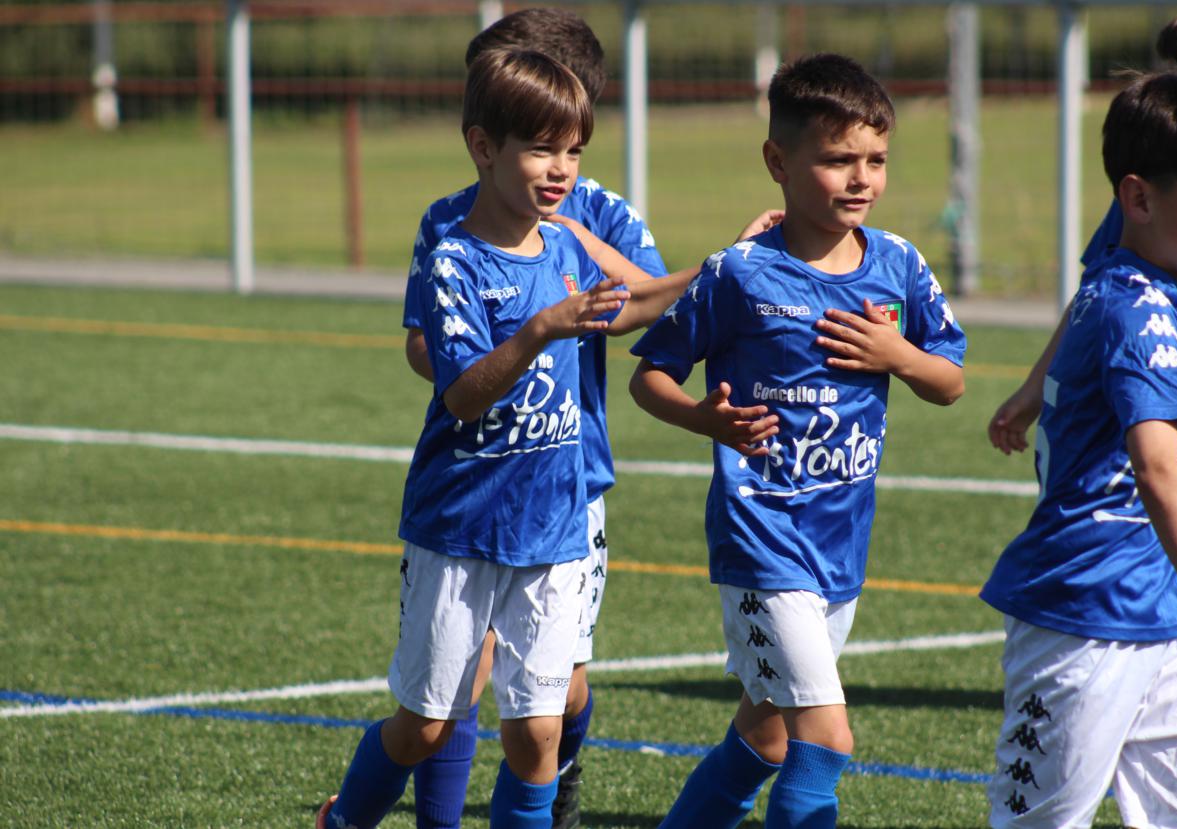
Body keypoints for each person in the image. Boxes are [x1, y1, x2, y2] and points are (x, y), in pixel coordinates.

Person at [403, 10, 781, 828]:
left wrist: (728, 263)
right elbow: (422, 348)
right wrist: (488, 357)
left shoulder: (595, 214)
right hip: (477, 480)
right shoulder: (450, 221)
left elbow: (641, 304)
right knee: (463, 675)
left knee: (560, 690)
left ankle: (559, 777)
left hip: (571, 483)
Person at [317, 47, 694, 829]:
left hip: (554, 527)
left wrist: (720, 268)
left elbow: (628, 305)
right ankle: (343, 819)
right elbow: (460, 393)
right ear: (483, 147)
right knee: (425, 726)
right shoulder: (453, 259)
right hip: (460, 528)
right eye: (542, 149)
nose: (561, 170)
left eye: (573, 151)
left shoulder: (568, 245)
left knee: (536, 733)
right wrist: (539, 330)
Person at [628, 53, 966, 828]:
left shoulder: (899, 265)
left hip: (840, 543)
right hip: (762, 538)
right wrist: (705, 419)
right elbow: (650, 377)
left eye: (876, 159)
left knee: (768, 733)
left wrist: (898, 355)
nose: (861, 178)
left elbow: (949, 381)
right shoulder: (740, 274)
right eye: (838, 159)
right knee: (825, 737)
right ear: (778, 161)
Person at [979, 72, 1177, 826]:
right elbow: (1159, 466)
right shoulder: (1139, 312)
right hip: (1085, 618)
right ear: (1139, 198)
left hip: (1166, 622)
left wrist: (1033, 389)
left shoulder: (1136, 286)